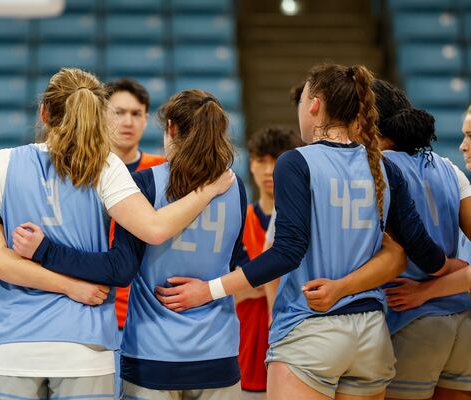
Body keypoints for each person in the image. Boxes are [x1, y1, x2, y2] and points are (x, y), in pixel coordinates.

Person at [0, 68, 233, 399]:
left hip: (16, 346)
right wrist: (207, 191)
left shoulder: (2, 163)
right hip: (86, 346)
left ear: (43, 112)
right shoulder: (105, 166)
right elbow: (156, 229)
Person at [154, 64, 461, 400]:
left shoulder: (297, 162)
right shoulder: (383, 166)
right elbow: (424, 255)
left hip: (310, 330)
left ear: (313, 104)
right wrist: (457, 271)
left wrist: (209, 290)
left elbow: (286, 253)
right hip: (372, 335)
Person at [383, 98, 471, 400]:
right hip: (462, 320)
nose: (462, 145)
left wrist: (426, 290)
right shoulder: (448, 169)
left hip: (412, 318)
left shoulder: (377, 167)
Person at [235, 126, 302, 399]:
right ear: (250, 165)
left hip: (295, 356)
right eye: (260, 161)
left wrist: (246, 283)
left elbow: (240, 285)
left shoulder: (303, 225)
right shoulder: (237, 220)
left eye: (276, 160)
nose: (268, 170)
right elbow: (227, 290)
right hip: (242, 356)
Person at [105, 78, 166, 330]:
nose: (128, 121)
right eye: (119, 112)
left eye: (136, 113)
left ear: (146, 119)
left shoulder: (164, 171)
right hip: (97, 307)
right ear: (101, 115)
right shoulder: (83, 171)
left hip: (152, 310)